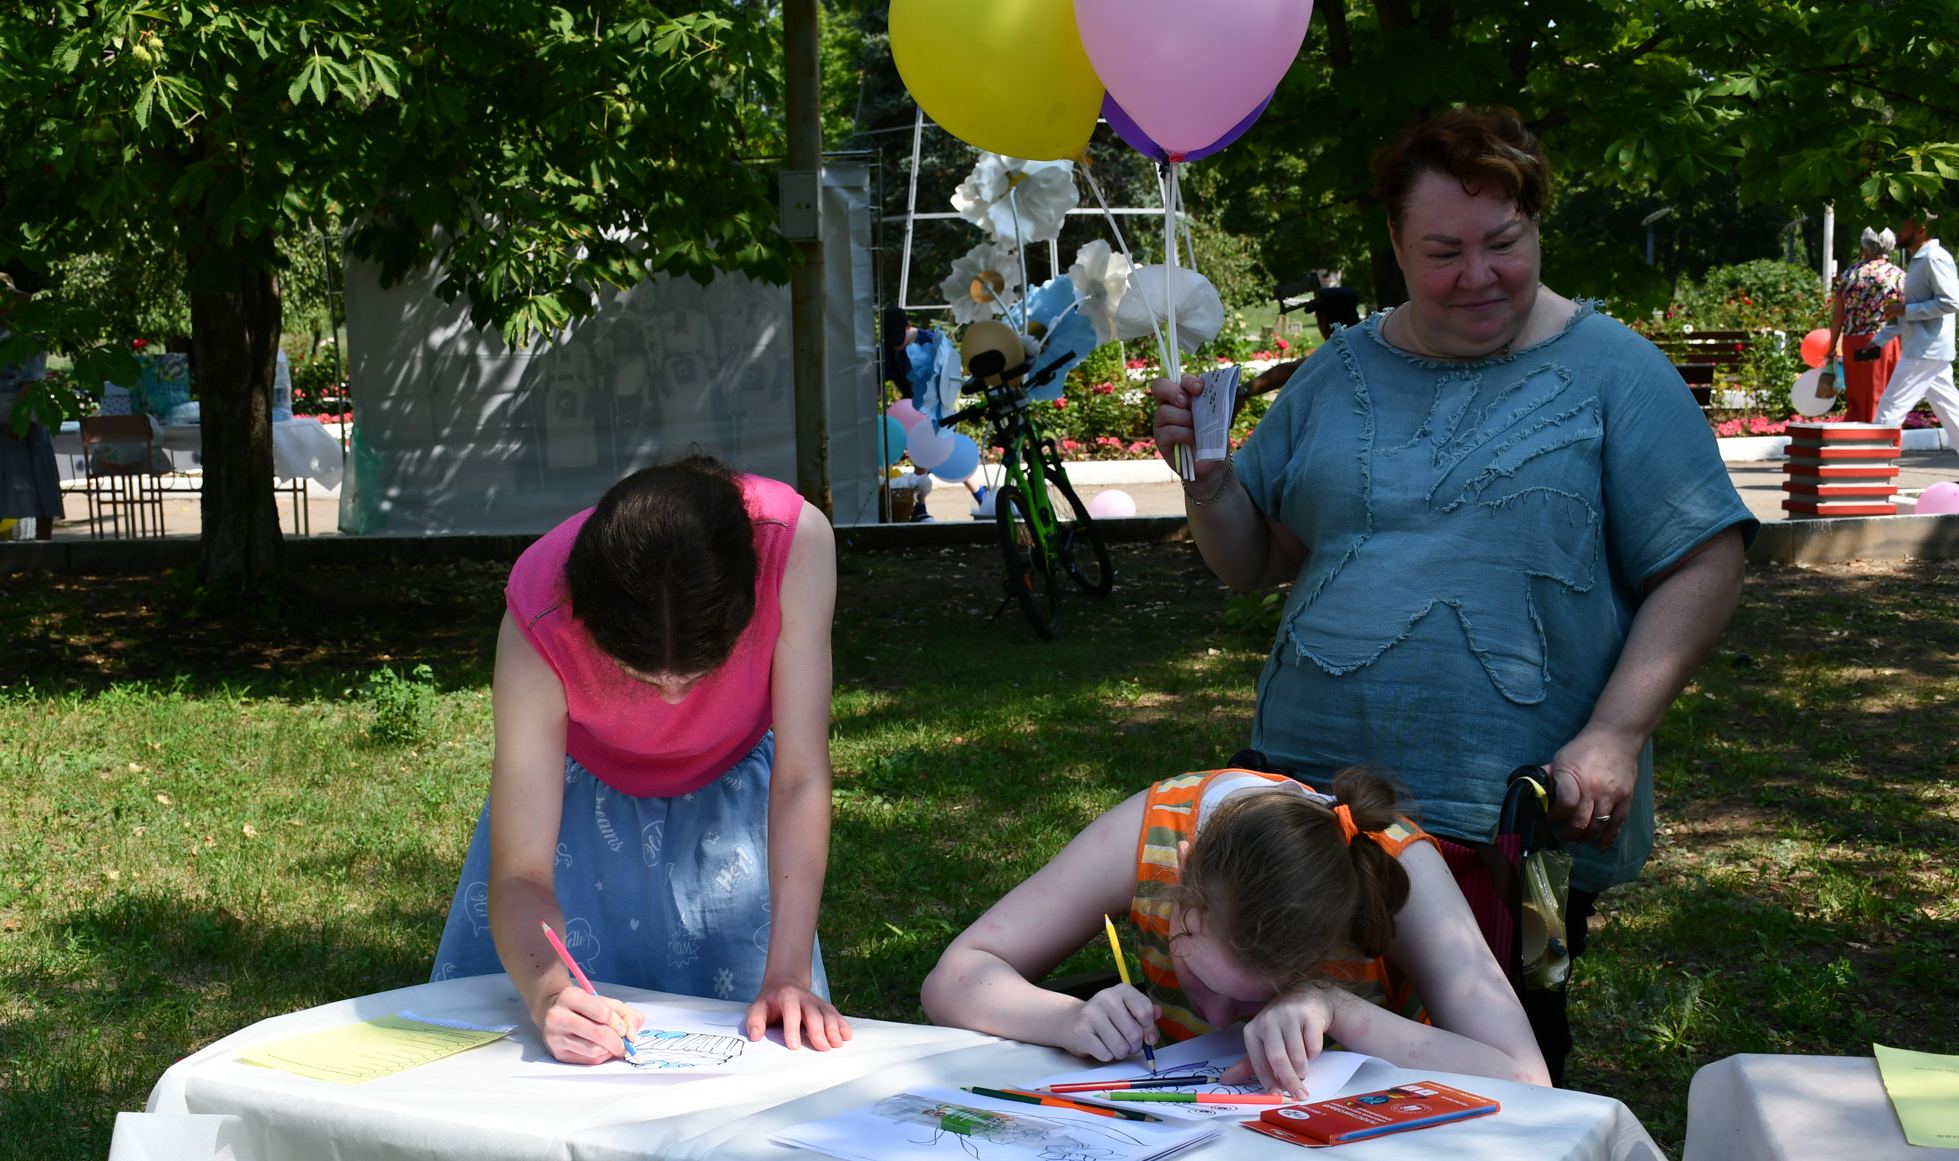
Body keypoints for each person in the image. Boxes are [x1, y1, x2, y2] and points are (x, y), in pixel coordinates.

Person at [1147, 109, 1754, 1083]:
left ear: (1536, 224)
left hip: (1502, 821)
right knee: (1282, 1057)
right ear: (1395, 246)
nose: (1478, 274)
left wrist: (1616, 732)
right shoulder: (1335, 374)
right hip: (1309, 804)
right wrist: (1208, 483)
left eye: (1502, 242)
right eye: (1442, 252)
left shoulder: (1618, 375)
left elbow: (1705, 560)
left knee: (1486, 1078)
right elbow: (1255, 558)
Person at [429, 456, 851, 1063]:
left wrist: (787, 973)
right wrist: (550, 995)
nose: (674, 699)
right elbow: (522, 871)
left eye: (698, 674)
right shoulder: (540, 606)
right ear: (584, 617)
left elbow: (801, 777)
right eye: (640, 675)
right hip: (582, 812)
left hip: (733, 804)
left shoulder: (795, 544)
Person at [921, 766, 1549, 1094]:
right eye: (1196, 974)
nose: (1218, 1019)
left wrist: (1336, 1008)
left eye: (1260, 997)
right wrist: (1065, 1018)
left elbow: (1528, 1081)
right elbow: (955, 977)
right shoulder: (1153, 832)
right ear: (1182, 869)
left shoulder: (1393, 869)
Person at [0, 274, 62, 541]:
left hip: (17, 416)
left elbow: (31, 378)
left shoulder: (27, 332)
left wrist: (18, 419)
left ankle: (43, 547)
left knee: (32, 475)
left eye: (4, 298)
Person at [1861, 211, 1959, 450]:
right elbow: (1907, 311)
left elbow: (1951, 302)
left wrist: (1905, 310)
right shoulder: (1920, 259)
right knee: (1952, 413)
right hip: (1928, 348)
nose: (1897, 231)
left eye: (1903, 226)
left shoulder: (1933, 258)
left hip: (1924, 349)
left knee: (1889, 408)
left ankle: (1872, 467)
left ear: (1922, 229)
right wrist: (1880, 340)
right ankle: (1874, 466)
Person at [1828, 228, 1906, 422]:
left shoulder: (1850, 275)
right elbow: (1906, 312)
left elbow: (1838, 316)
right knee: (1882, 395)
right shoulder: (1897, 276)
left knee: (1856, 397)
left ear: (1865, 248)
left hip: (1853, 341)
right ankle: (1882, 434)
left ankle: (1856, 433)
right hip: (1884, 341)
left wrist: (1831, 348)